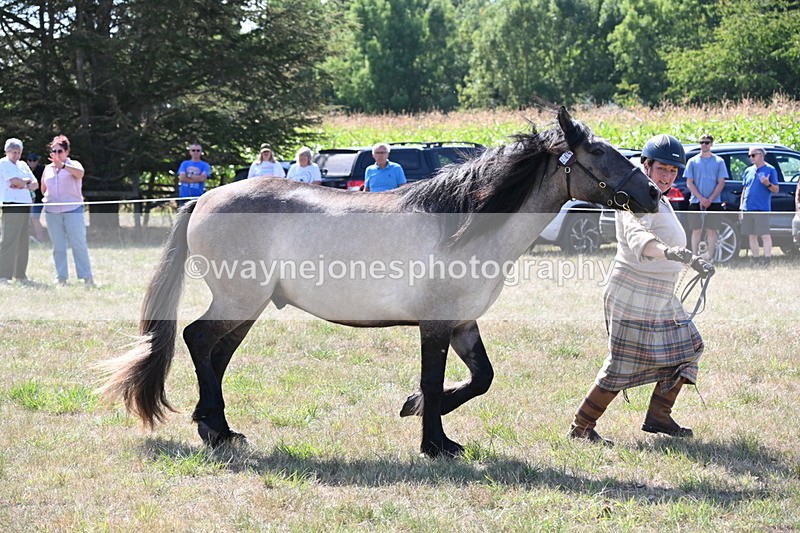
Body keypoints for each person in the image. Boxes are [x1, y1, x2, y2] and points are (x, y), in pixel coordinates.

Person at [569, 134, 714, 445]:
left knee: (690, 348)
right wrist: (671, 253)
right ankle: (581, 427)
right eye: (662, 169)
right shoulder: (630, 200)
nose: (667, 176)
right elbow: (638, 239)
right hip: (631, 292)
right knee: (621, 365)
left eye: (673, 171)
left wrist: (693, 259)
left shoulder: (658, 199)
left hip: (659, 295)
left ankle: (659, 416)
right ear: (646, 165)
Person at [41, 135, 96, 287]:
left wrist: (63, 166)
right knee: (58, 246)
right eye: (54, 151)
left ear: (67, 151)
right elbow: (43, 188)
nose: (56, 154)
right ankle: (61, 277)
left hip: (73, 210)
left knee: (78, 244)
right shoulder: (47, 168)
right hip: (52, 212)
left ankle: (87, 277)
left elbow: (80, 174)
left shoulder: (74, 165)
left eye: (59, 151)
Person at [0, 138, 38, 285]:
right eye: (13, 152)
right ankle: (3, 275)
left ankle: (20, 274)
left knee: (23, 241)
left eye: (18, 152)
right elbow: (14, 181)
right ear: (7, 152)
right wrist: (23, 183)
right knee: (9, 239)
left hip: (25, 204)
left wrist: (24, 185)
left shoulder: (23, 165)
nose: (16, 155)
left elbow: (35, 184)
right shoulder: (3, 163)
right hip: (11, 205)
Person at [684, 134, 728, 260]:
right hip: (695, 201)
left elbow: (721, 182)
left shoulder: (719, 161)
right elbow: (689, 182)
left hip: (714, 201)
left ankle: (710, 258)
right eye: (702, 142)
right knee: (696, 230)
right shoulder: (692, 161)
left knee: (711, 231)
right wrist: (701, 198)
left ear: (711, 144)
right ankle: (695, 258)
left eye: (707, 142)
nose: (704, 144)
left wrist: (710, 199)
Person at [740, 146, 778, 266]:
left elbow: (776, 189)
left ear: (761, 155)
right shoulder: (748, 171)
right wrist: (741, 208)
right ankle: (756, 259)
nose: (750, 158)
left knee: (765, 235)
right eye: (749, 155)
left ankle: (767, 260)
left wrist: (767, 184)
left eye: (753, 155)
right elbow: (744, 189)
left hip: (762, 208)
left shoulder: (770, 170)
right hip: (748, 208)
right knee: (752, 235)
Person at [27, 152, 46, 243]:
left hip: (40, 199)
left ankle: (40, 239)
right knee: (30, 219)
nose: (32, 162)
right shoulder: (25, 170)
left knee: (34, 218)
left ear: (37, 161)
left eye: (34, 160)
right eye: (30, 160)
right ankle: (34, 238)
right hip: (28, 200)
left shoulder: (42, 170)